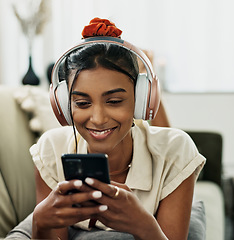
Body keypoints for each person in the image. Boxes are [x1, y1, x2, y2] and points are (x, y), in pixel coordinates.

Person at [29, 17, 205, 240]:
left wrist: (144, 225)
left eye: (114, 101)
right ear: (63, 105)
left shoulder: (176, 150)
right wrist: (39, 223)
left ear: (141, 101)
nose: (98, 118)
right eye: (82, 103)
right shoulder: (51, 149)